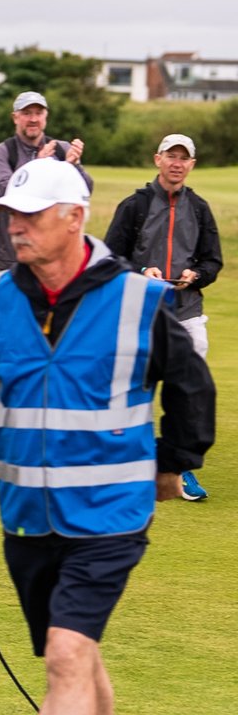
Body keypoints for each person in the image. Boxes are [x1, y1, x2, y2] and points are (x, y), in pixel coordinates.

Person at [0, 158, 215, 715]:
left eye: (31, 215)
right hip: (26, 516)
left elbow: (191, 389)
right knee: (74, 651)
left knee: (66, 656)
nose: (15, 226)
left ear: (75, 218)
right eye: (9, 215)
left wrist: (172, 461)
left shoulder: (141, 299)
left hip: (110, 513)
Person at [104, 133, 222, 501]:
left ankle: (179, 471)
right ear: (157, 159)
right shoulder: (134, 206)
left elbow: (212, 260)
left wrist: (196, 275)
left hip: (186, 313)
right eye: (170, 155)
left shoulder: (200, 208)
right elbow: (109, 257)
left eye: (183, 158)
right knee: (131, 393)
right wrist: (142, 270)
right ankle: (125, 469)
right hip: (138, 313)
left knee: (188, 398)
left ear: (191, 165)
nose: (176, 163)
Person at [0, 91, 92, 271]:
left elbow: (85, 192)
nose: (33, 119)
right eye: (26, 113)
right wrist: (36, 166)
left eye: (38, 113)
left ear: (46, 117)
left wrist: (74, 166)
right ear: (15, 118)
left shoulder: (61, 149)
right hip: (12, 256)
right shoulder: (1, 152)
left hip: (55, 256)